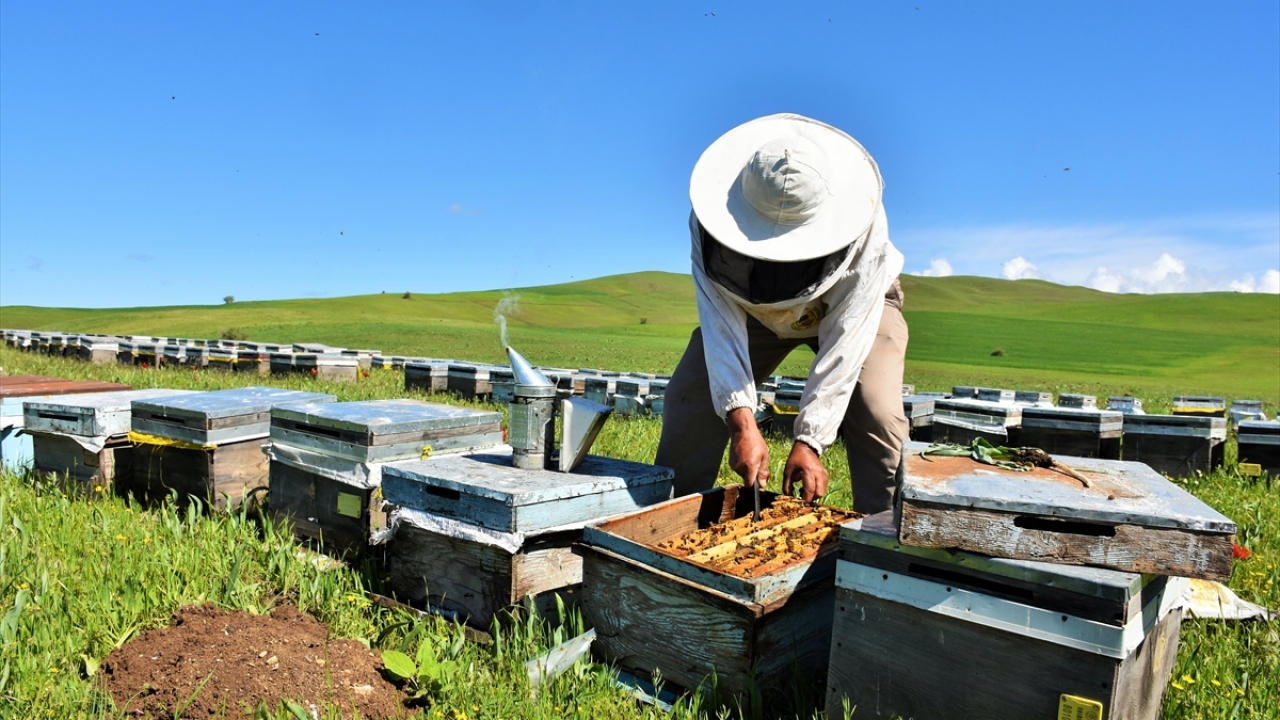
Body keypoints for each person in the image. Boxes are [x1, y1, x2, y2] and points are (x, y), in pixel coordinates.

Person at [654, 113, 909, 515]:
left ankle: (881, 544)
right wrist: (741, 422)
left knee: (877, 412)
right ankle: (667, 521)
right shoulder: (709, 222)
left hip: (849, 306)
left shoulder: (867, 231)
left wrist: (810, 441)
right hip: (753, 312)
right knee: (690, 397)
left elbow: (847, 342)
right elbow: (719, 323)